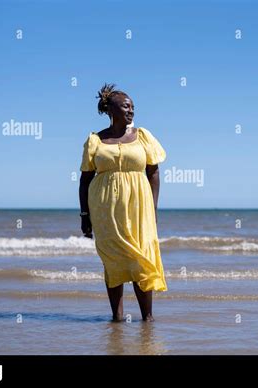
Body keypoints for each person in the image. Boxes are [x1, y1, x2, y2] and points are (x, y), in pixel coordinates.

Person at [79, 83, 167, 322]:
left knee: (141, 257)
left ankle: (147, 318)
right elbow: (85, 179)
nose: (131, 111)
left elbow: (154, 173)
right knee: (113, 260)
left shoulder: (142, 136)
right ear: (111, 110)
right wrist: (85, 216)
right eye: (126, 106)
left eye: (133, 107)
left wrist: (154, 209)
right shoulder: (95, 140)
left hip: (140, 208)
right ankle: (116, 319)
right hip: (104, 209)